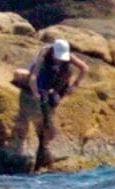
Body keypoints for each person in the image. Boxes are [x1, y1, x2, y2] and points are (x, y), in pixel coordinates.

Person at [23, 34, 82, 168]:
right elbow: (33, 76)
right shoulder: (45, 53)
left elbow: (84, 68)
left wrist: (75, 85)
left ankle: (46, 144)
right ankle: (44, 145)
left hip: (55, 80)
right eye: (57, 56)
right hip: (42, 77)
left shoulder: (68, 58)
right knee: (42, 100)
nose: (59, 59)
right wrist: (35, 92)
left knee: (54, 101)